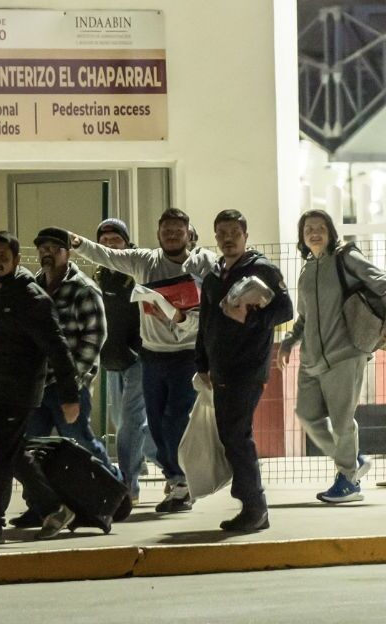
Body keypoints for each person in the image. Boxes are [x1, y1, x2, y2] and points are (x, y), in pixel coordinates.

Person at [68, 208, 218, 513]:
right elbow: (106, 255)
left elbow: (223, 291)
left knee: (175, 419)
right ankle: (176, 479)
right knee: (156, 426)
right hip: (152, 357)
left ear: (189, 233)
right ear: (158, 234)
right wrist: (76, 242)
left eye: (178, 230)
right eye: (167, 230)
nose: (172, 234)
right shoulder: (144, 261)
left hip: (188, 356)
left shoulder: (205, 263)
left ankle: (181, 483)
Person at [0, 231, 82, 546]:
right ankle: (55, 509)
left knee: (0, 455)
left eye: (3, 256)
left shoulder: (31, 298)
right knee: (13, 455)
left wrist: (71, 396)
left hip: (18, 391)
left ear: (16, 260)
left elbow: (58, 349)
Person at [196, 210, 293, 532]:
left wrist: (250, 320)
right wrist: (202, 364)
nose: (227, 238)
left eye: (234, 232)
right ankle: (252, 506)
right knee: (231, 437)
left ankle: (255, 507)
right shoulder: (213, 275)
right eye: (221, 232)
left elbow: (285, 310)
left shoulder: (262, 269)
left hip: (248, 368)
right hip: (221, 368)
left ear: (245, 235)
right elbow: (206, 323)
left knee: (237, 437)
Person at [9, 227, 112, 529]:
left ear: (67, 253)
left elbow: (95, 338)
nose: (47, 253)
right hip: (37, 387)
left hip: (69, 387)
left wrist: (73, 382)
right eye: (43, 248)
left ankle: (111, 495)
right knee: (33, 450)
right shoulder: (33, 287)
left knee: (82, 443)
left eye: (55, 248)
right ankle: (40, 506)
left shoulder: (83, 288)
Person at [279, 209, 384, 502]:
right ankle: (354, 461)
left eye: (320, 227)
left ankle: (348, 480)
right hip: (312, 358)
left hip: (346, 353)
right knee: (308, 416)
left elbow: (381, 282)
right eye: (308, 228)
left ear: (330, 231)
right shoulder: (306, 269)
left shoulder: (346, 258)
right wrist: (288, 342)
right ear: (301, 236)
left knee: (341, 421)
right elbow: (304, 317)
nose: (314, 232)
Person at [94, 218, 158, 503]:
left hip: (139, 358)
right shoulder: (99, 274)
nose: (109, 245)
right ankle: (174, 465)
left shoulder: (138, 271)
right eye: (104, 241)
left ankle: (128, 485)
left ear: (127, 243)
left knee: (130, 422)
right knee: (123, 421)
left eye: (115, 240)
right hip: (113, 359)